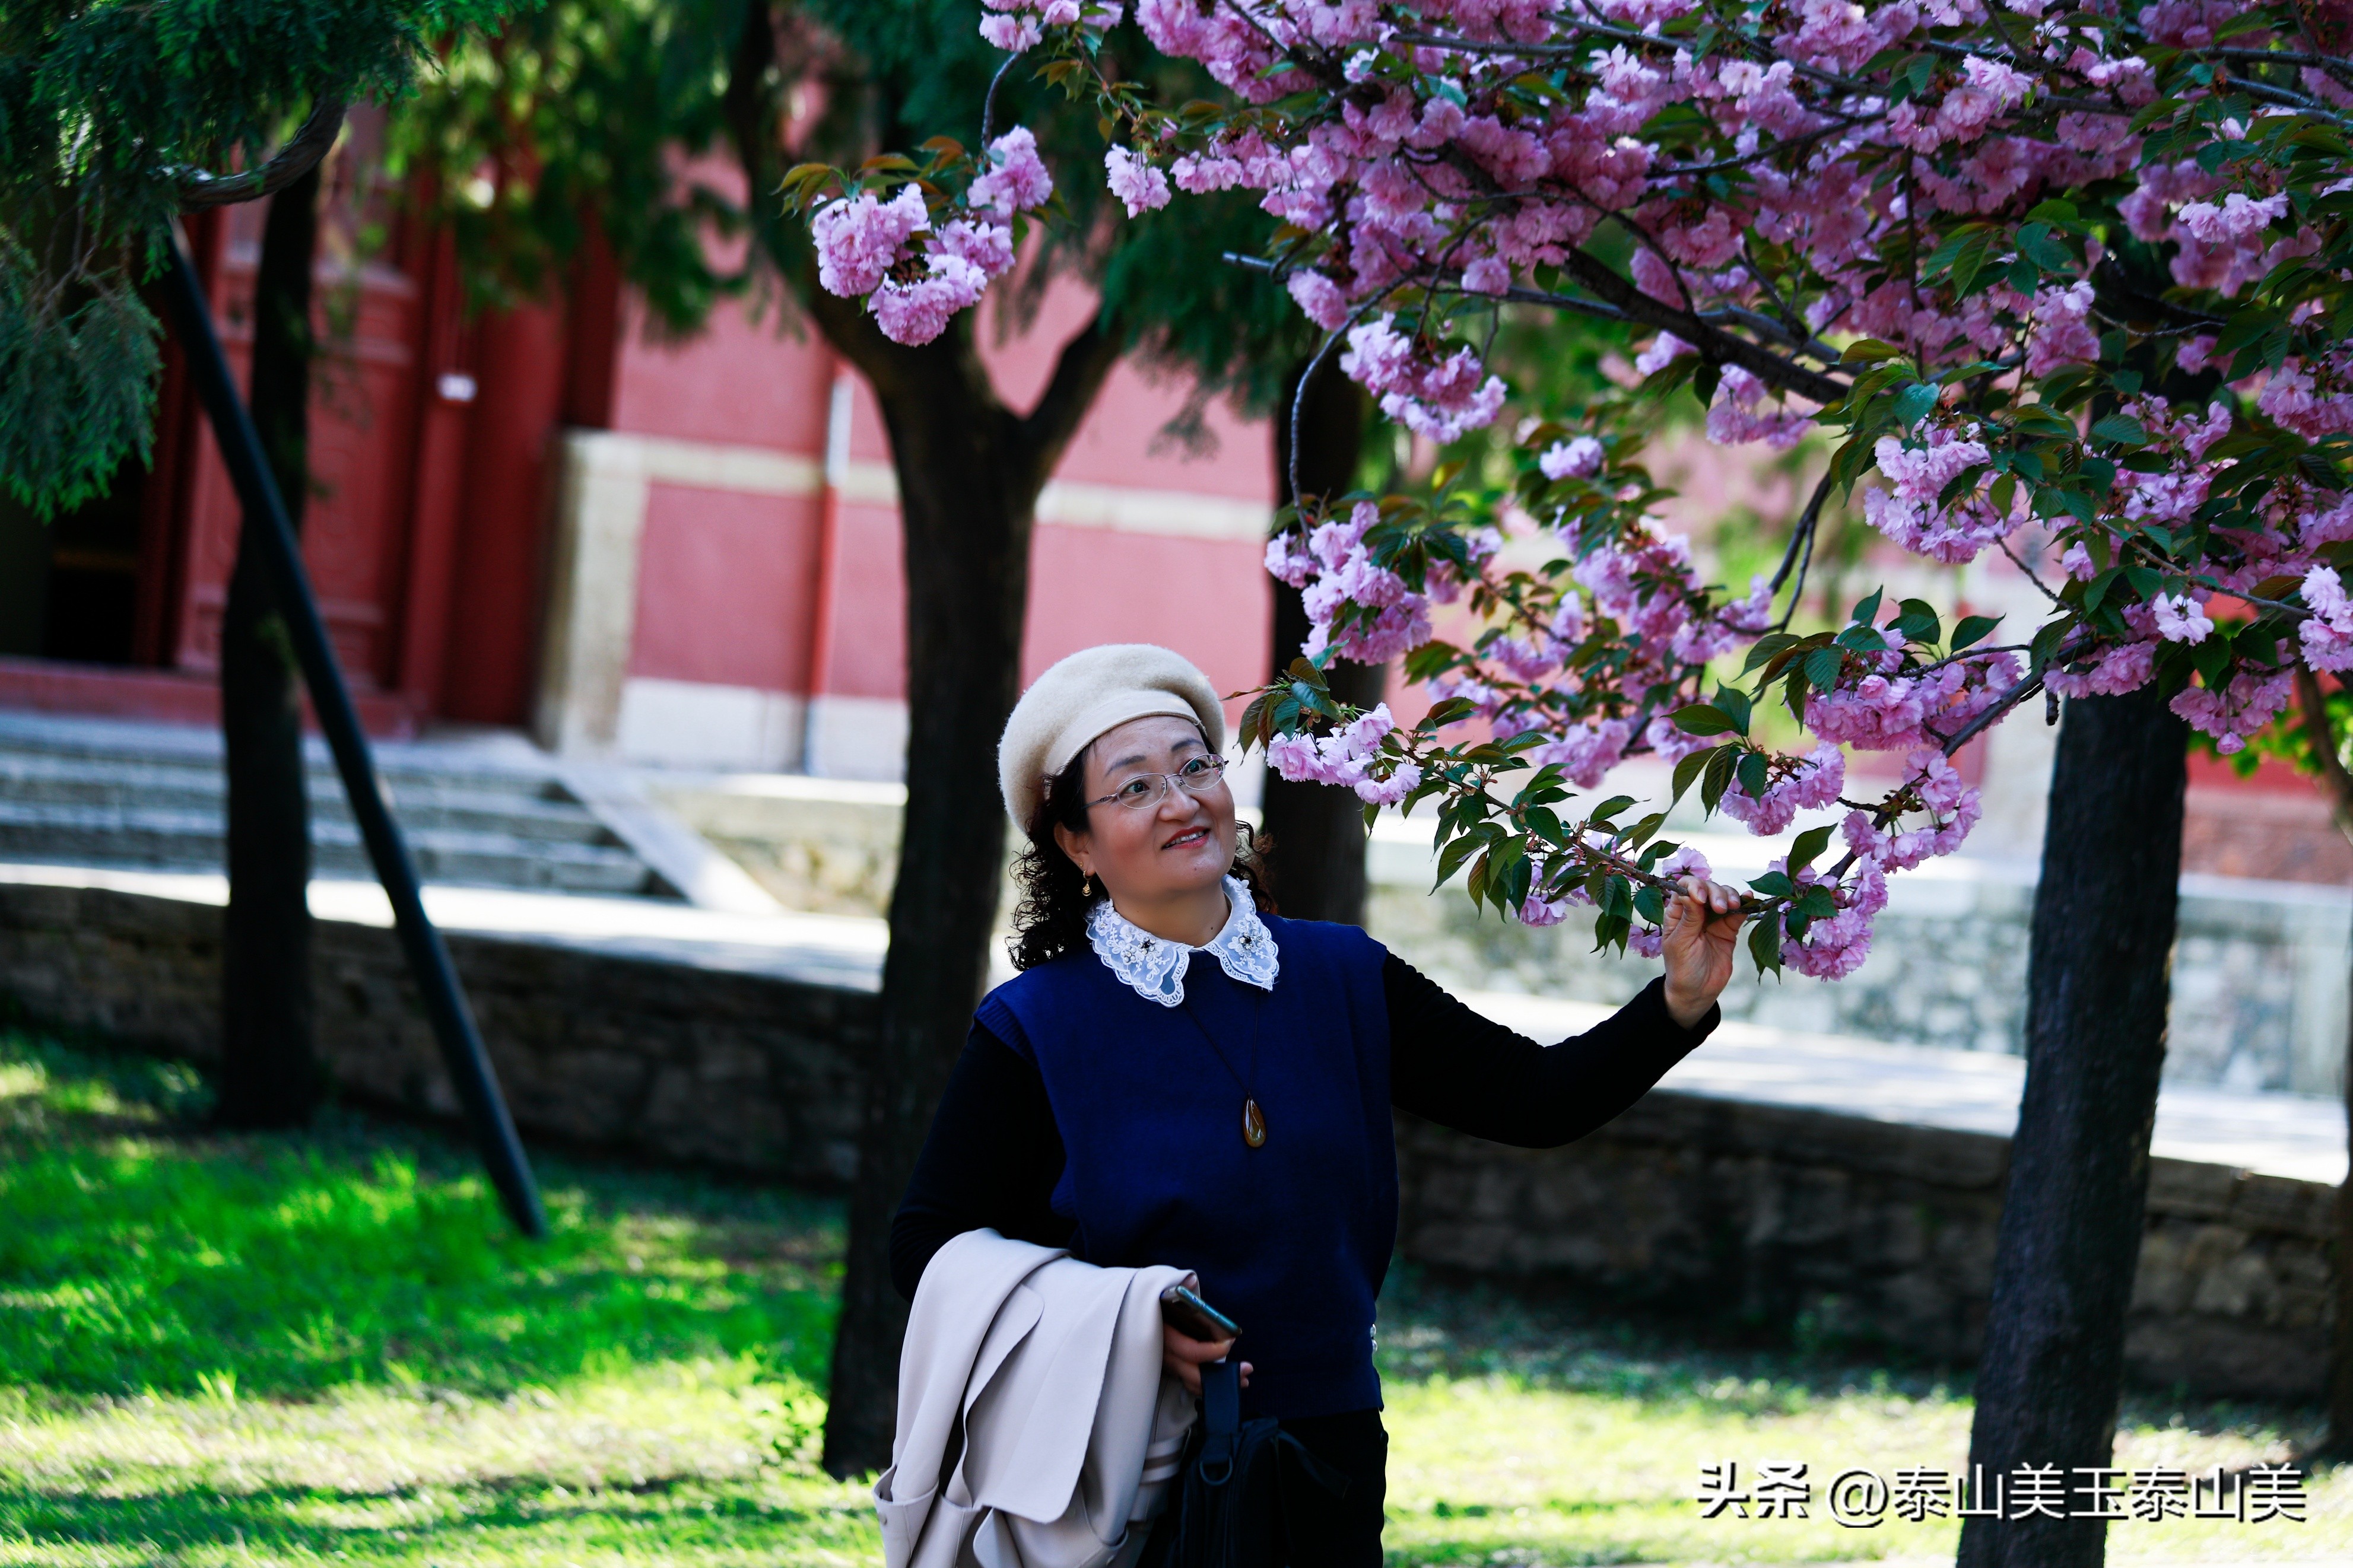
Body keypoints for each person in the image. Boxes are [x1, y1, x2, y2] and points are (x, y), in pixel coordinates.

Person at [892, 644, 1745, 1567]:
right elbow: (928, 1245)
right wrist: (1132, 1329)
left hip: (1328, 1444)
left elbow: (1530, 1101)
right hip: (1120, 1460)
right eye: (1133, 788)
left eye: (1194, 767)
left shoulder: (1343, 974)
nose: (1181, 802)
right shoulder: (1036, 1025)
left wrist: (1676, 1004)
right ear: (1076, 844)